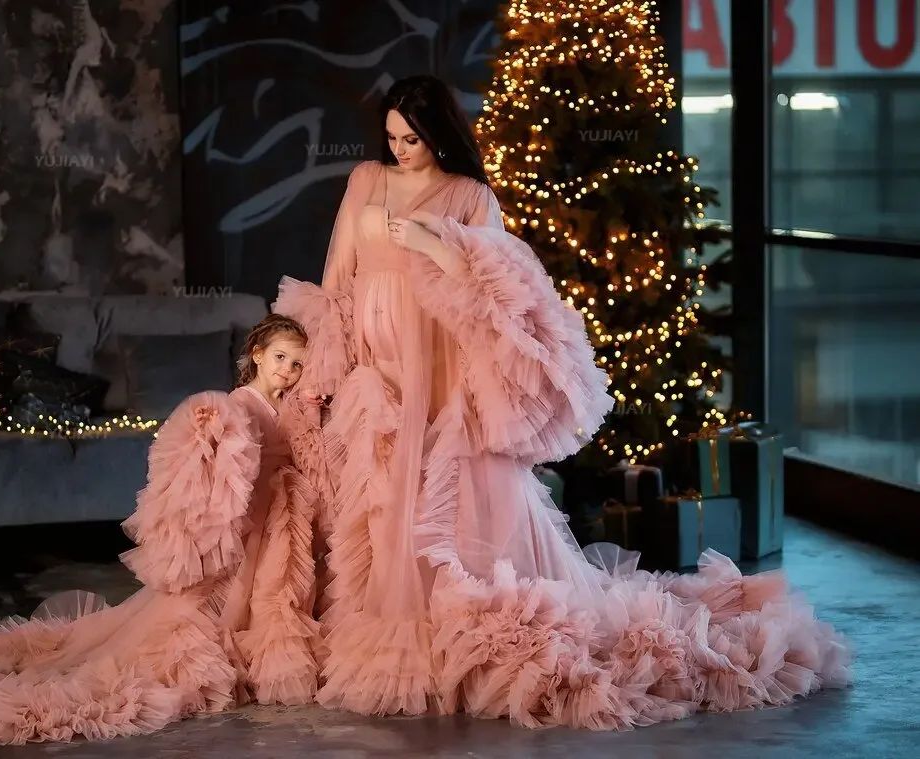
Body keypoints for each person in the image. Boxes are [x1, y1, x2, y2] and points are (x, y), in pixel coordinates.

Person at [272, 74, 852, 729]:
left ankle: (449, 623)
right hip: (379, 373)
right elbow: (335, 282)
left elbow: (499, 286)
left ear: (439, 135)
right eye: (392, 138)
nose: (402, 149)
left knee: (447, 490)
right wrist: (328, 364)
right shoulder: (364, 183)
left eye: (414, 138)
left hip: (439, 366)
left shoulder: (469, 195)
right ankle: (386, 616)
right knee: (379, 494)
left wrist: (432, 242)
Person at [0, 314, 327, 744]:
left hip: (277, 516)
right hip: (252, 517)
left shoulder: (283, 404)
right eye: (280, 357)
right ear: (257, 355)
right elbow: (228, 468)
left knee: (265, 590)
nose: (286, 370)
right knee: (221, 598)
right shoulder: (240, 404)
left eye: (296, 363)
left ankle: (253, 646)